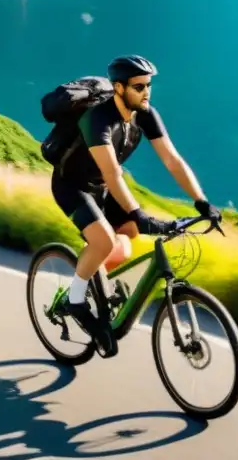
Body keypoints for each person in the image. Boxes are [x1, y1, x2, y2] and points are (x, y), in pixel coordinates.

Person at [48, 55, 222, 355]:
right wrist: (139, 213)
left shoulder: (144, 114)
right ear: (119, 88)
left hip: (104, 187)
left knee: (127, 238)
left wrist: (202, 202)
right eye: (139, 86)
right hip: (72, 186)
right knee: (102, 240)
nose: (147, 92)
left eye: (149, 85)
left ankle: (93, 279)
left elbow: (172, 160)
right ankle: (75, 300)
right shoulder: (96, 119)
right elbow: (112, 173)